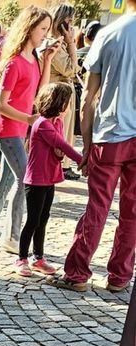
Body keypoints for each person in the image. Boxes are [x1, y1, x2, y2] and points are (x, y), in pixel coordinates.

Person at [56, 0, 136, 294]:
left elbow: (88, 97)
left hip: (110, 132)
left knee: (97, 207)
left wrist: (86, 145)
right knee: (132, 212)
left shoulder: (108, 33)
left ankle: (78, 272)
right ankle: (119, 276)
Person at [0, 6, 59, 254]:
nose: (46, 34)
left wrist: (47, 61)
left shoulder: (32, 59)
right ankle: (12, 237)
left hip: (19, 129)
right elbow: (0, 105)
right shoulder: (14, 63)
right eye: (43, 29)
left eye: (47, 29)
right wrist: (29, 118)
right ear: (29, 28)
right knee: (26, 180)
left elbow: (39, 91)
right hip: (7, 130)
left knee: (6, 182)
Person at [16, 82, 82, 278]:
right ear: (60, 103)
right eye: (68, 102)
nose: (70, 106)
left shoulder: (57, 123)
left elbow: (59, 152)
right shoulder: (43, 124)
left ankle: (38, 257)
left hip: (49, 178)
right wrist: (83, 161)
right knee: (33, 220)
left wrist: (61, 155)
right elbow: (61, 144)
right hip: (36, 180)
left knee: (43, 219)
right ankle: (21, 258)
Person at [39, 5, 79, 180]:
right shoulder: (53, 43)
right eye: (69, 21)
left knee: (65, 132)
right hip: (56, 94)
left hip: (64, 92)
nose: (71, 26)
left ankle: (64, 164)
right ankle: (58, 165)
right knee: (56, 132)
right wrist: (71, 43)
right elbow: (71, 69)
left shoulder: (60, 43)